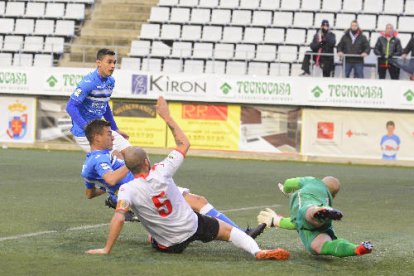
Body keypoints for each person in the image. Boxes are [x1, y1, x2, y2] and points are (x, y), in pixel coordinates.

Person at [85, 97, 289, 260]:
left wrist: (106, 249)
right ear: (147, 162)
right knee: (228, 232)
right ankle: (256, 251)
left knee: (161, 219)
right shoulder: (162, 170)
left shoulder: (126, 190)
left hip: (168, 244)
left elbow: (117, 216)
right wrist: (166, 116)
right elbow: (184, 143)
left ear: (128, 167)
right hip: (192, 225)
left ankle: (148, 227)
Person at [82, 119, 266, 236]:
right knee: (196, 202)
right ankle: (242, 234)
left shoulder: (91, 162)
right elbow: (112, 179)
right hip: (146, 187)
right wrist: (126, 170)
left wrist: (109, 191)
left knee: (176, 217)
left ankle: (239, 233)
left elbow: (90, 193)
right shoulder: (99, 159)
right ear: (97, 137)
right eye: (108, 134)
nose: (113, 137)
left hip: (141, 188)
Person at [257, 176, 373, 258]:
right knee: (319, 246)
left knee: (306, 211)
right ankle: (356, 248)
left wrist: (286, 191)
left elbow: (289, 183)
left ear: (322, 181)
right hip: (322, 224)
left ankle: (316, 211)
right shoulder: (327, 199)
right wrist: (277, 221)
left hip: (308, 207)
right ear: (334, 196)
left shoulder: (313, 181)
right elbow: (298, 223)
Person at [66, 48, 130, 154]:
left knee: (133, 153)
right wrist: (87, 128)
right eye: (109, 62)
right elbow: (70, 107)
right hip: (84, 134)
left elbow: (104, 106)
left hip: (100, 131)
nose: (113, 66)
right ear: (98, 63)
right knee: (116, 159)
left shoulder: (111, 81)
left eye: (114, 62)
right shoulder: (88, 82)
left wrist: (115, 129)